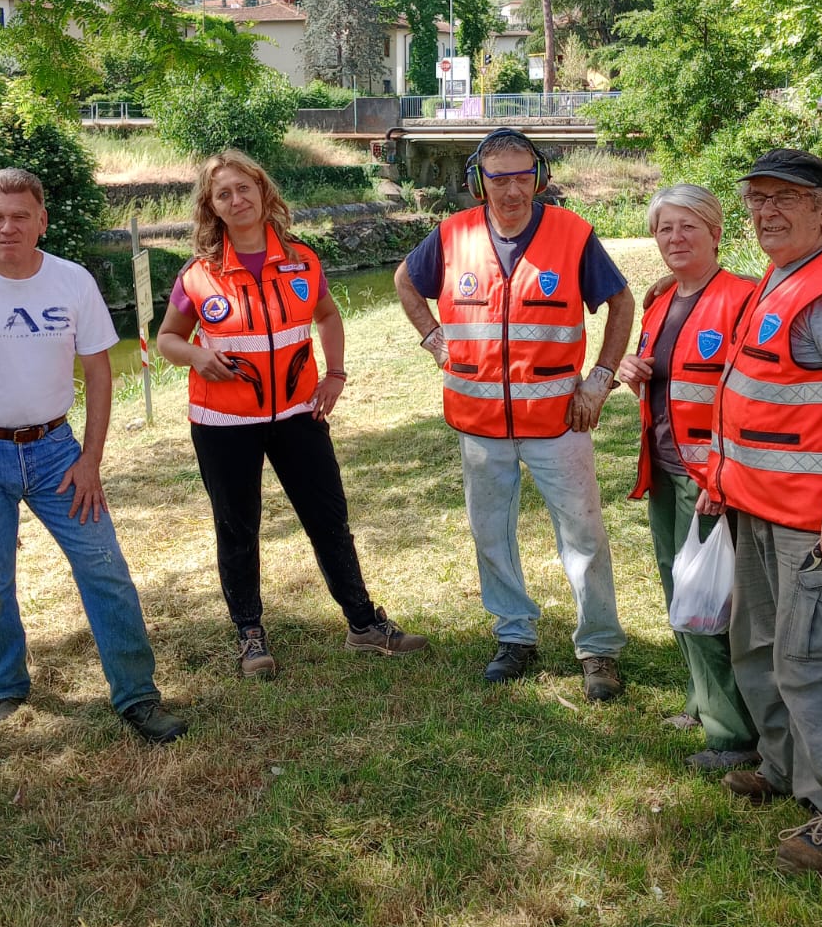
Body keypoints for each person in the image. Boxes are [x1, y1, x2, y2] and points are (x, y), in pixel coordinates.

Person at [0, 169, 187, 745]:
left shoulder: (71, 281)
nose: (5, 227)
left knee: (105, 569)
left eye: (18, 216)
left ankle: (137, 695)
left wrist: (91, 459)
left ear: (42, 221)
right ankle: (5, 688)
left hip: (57, 451)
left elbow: (100, 374)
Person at [155, 149, 427, 679]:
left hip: (299, 414)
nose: (236, 200)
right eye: (223, 194)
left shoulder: (302, 259)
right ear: (211, 207)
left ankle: (363, 625)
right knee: (238, 528)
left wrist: (336, 374)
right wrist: (196, 355)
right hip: (223, 423)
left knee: (328, 519)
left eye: (244, 189)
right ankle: (250, 634)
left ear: (263, 192)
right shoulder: (199, 274)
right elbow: (167, 338)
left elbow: (327, 314)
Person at [700, 148, 822, 876]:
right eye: (755, 199)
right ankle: (783, 769)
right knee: (758, 648)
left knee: (812, 663)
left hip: (816, 524)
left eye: (784, 198)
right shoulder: (780, 280)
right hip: (756, 507)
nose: (765, 212)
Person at [394, 128, 634, 696]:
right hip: (480, 425)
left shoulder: (573, 235)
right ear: (480, 181)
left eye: (523, 174)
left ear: (540, 176)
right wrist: (432, 338)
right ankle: (515, 636)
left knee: (583, 534)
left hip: (558, 421)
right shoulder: (452, 235)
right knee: (490, 533)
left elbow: (620, 302)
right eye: (498, 177)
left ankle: (598, 649)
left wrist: (599, 380)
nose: (512, 189)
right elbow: (406, 280)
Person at [618, 185, 759, 769]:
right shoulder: (661, 303)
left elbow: (750, 399)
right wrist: (634, 370)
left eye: (688, 227)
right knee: (682, 593)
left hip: (710, 480)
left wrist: (723, 476)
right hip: (665, 470)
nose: (675, 239)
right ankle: (702, 700)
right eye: (665, 229)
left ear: (716, 232)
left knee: (710, 602)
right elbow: (670, 379)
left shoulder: (743, 300)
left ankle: (733, 737)